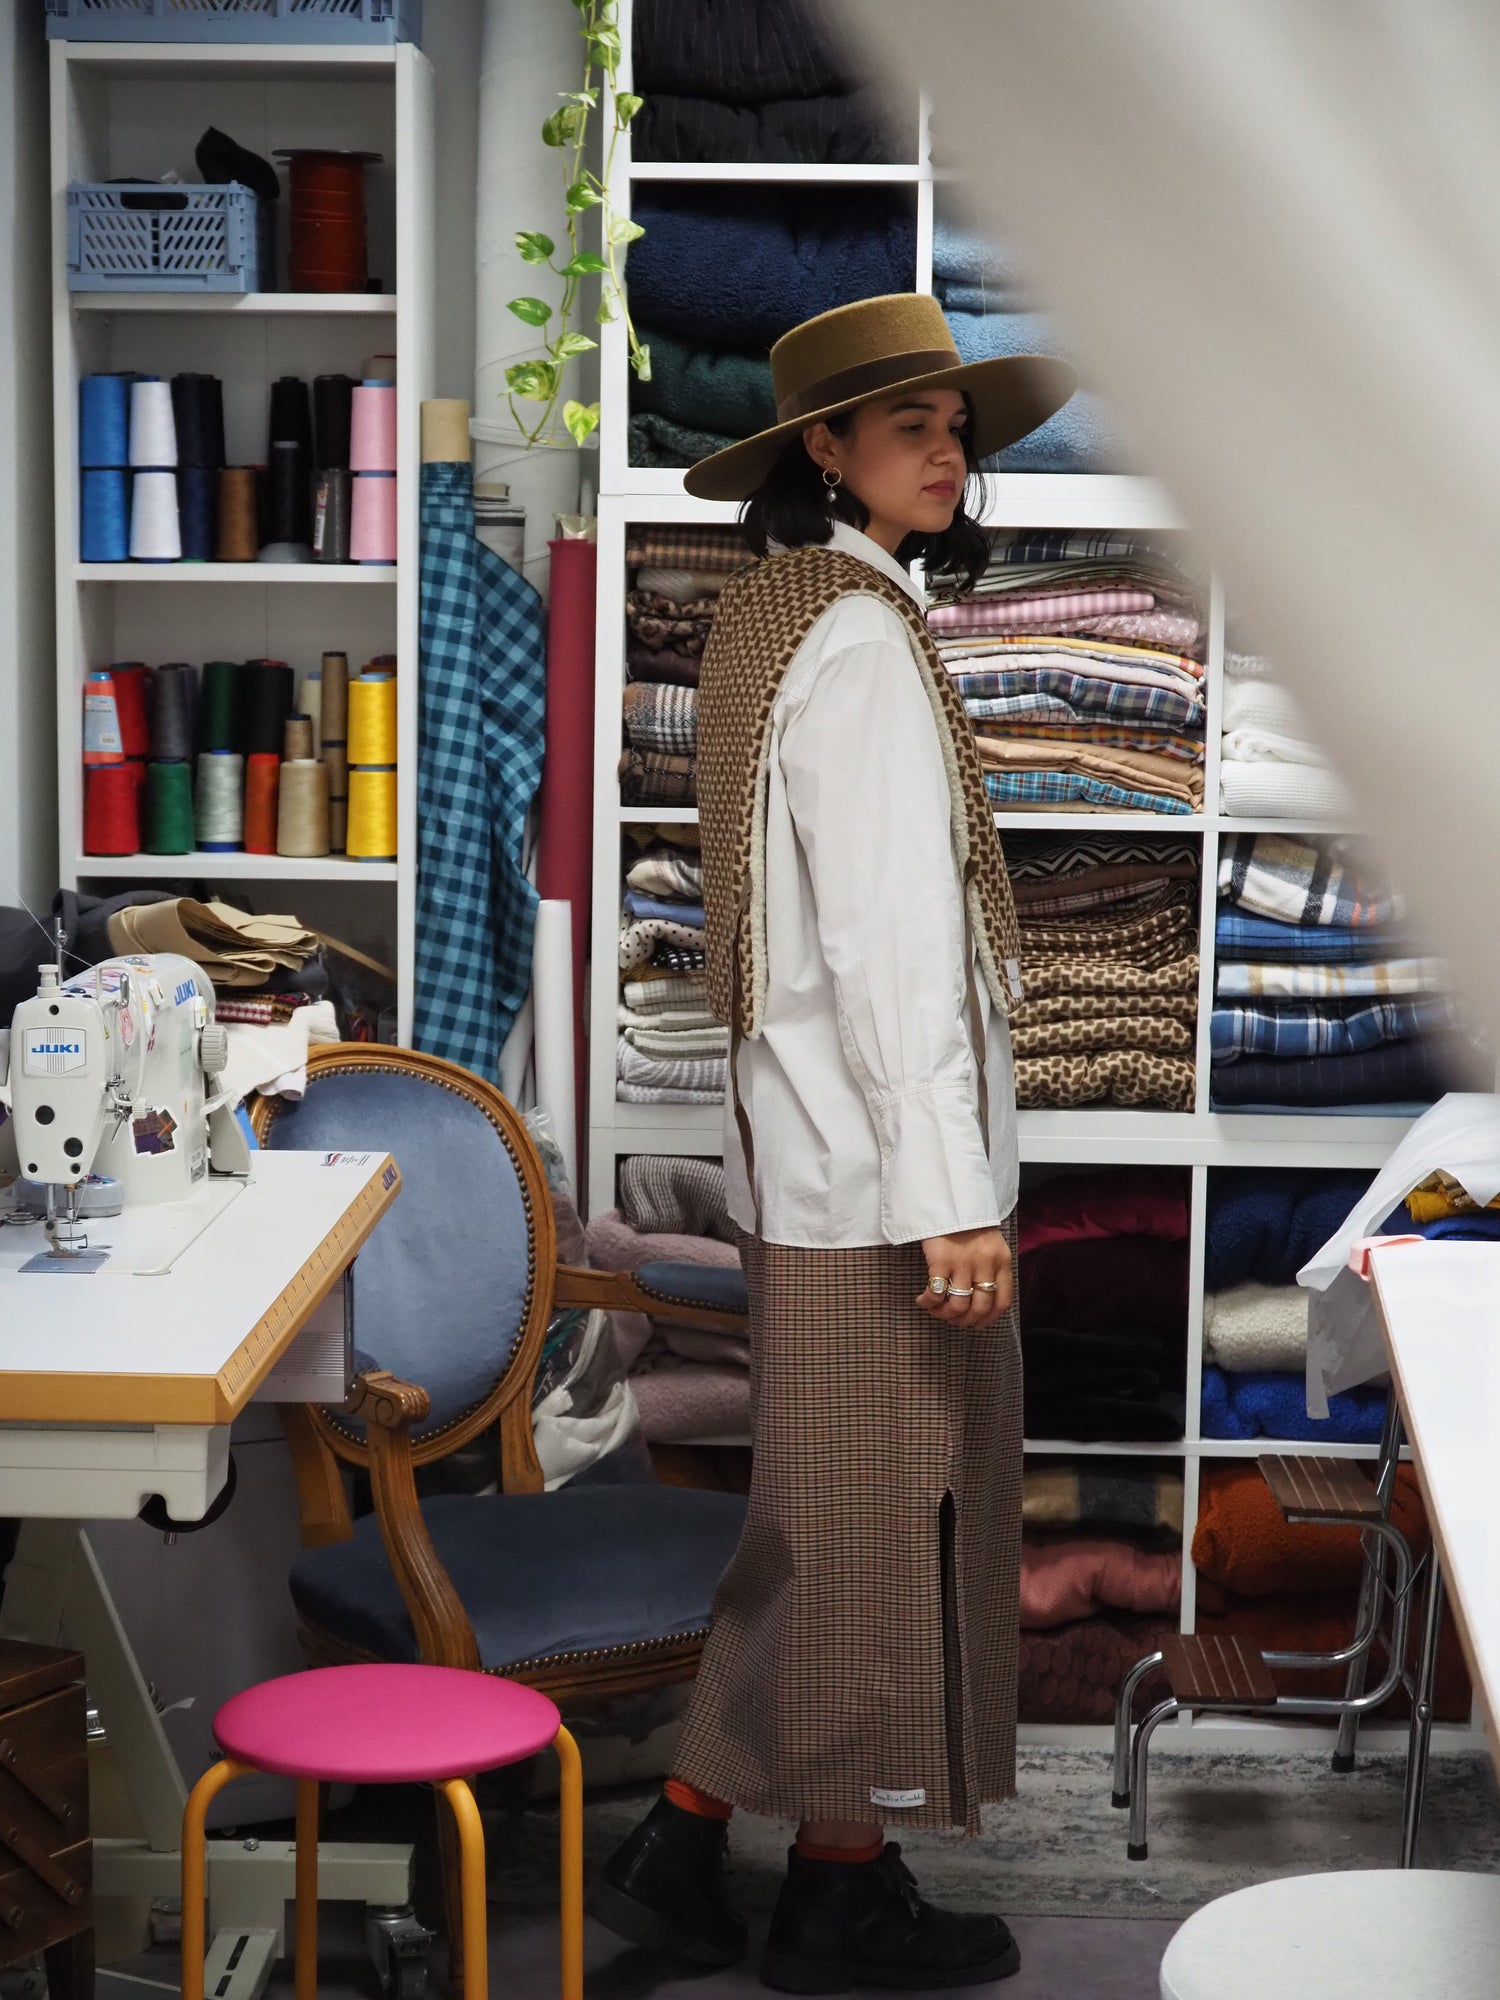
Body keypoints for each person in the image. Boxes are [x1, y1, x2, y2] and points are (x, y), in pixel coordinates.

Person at [590, 294, 1076, 1992]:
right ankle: (834, 1894)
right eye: (911, 425)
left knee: (827, 1527)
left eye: (957, 425)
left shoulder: (776, 609)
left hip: (812, 1164)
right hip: (874, 1186)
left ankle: (687, 1845)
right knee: (876, 1536)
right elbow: (887, 945)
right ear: (825, 445)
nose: (949, 451)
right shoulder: (861, 640)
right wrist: (949, 1199)